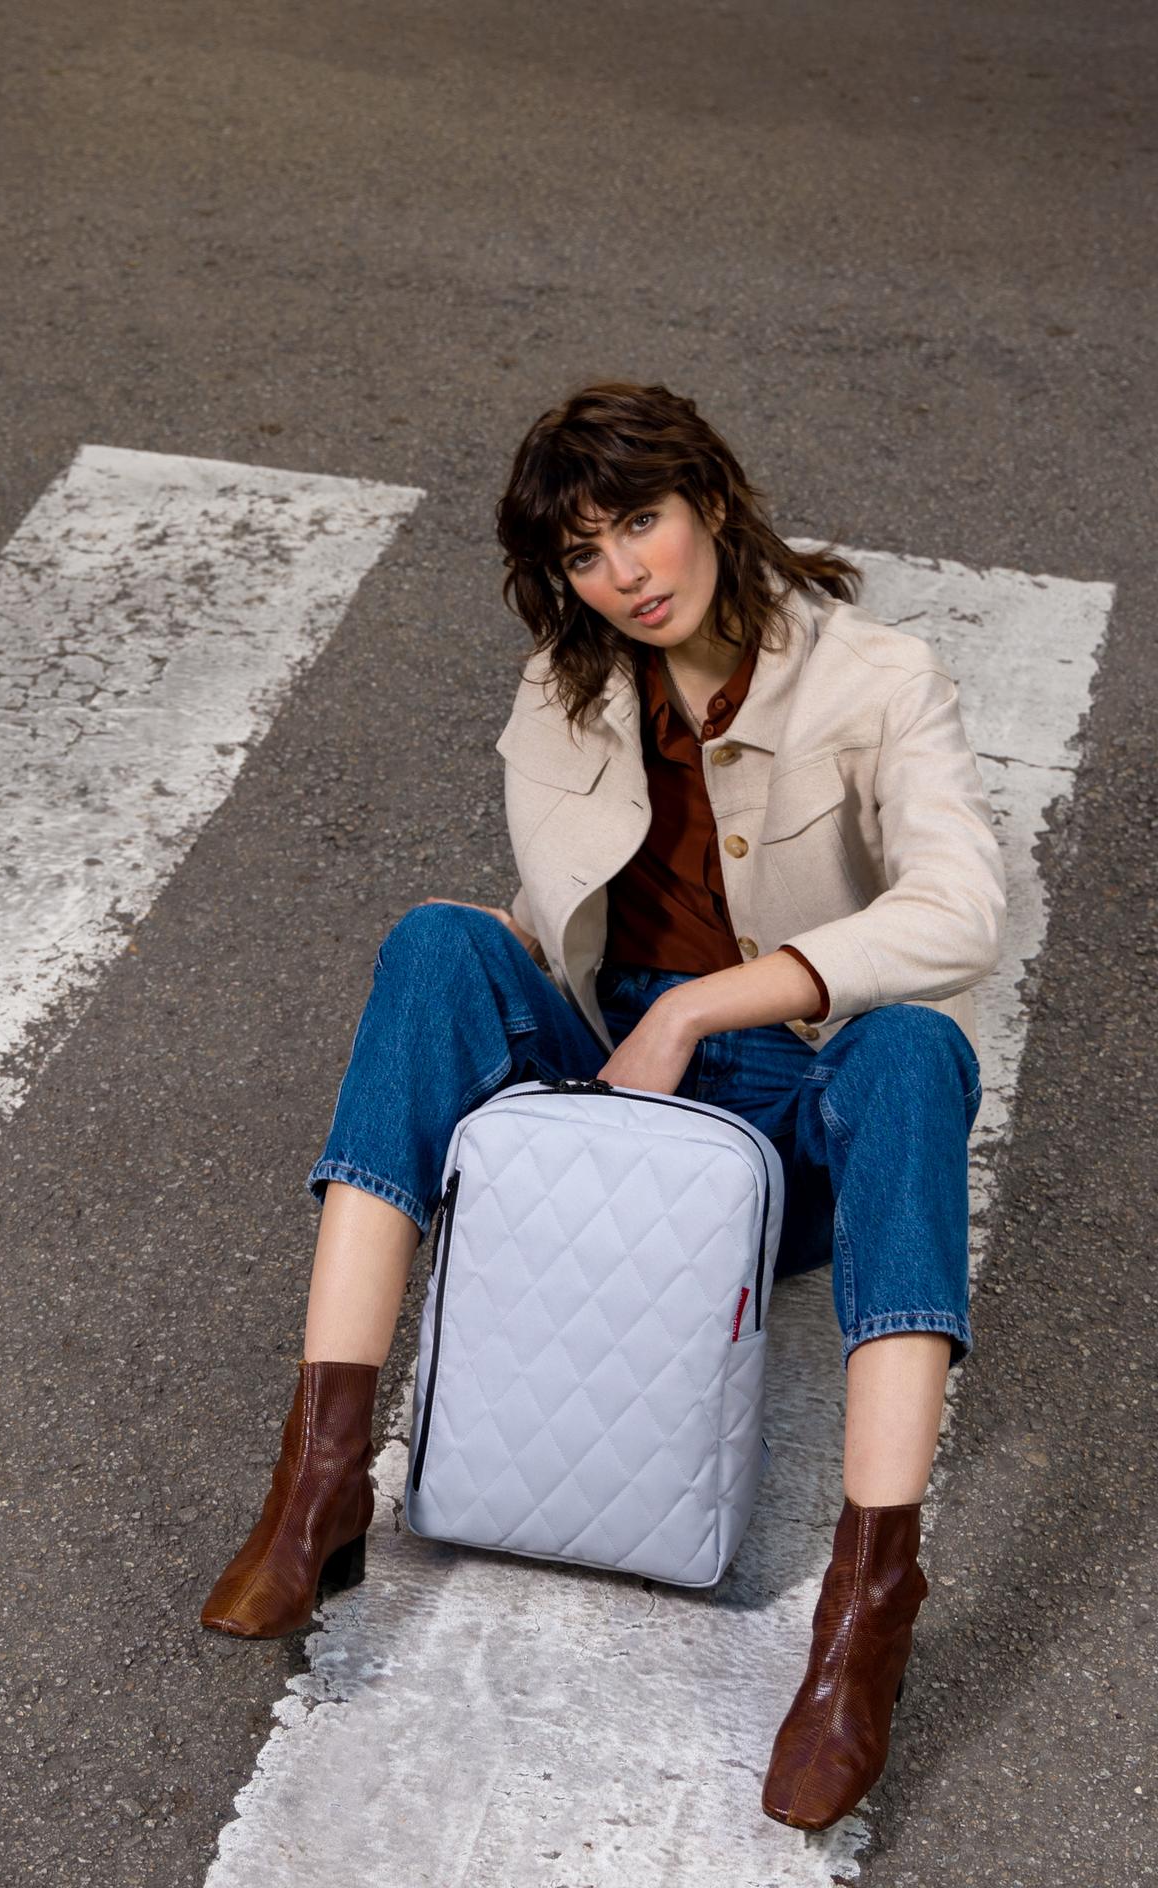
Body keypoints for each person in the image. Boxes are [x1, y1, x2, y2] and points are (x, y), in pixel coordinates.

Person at [195, 381, 1005, 1833]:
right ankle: (318, 1486)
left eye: (642, 522)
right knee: (437, 943)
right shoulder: (564, 682)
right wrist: (583, 1036)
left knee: (918, 1059)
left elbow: (961, 909)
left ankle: (868, 1610)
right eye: (584, 551)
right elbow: (551, 911)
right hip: (596, 1068)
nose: (625, 573)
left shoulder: (878, 679)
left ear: (711, 503)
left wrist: (702, 1008)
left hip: (787, 1104)